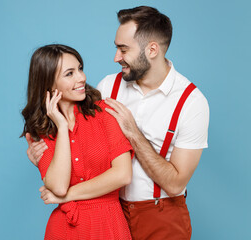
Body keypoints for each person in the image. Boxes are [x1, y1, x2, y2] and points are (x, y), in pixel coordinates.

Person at [26, 6, 210, 240]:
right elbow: (79, 143)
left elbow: (175, 184)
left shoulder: (191, 103)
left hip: (159, 213)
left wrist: (133, 133)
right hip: (112, 211)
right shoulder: (107, 88)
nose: (116, 58)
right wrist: (43, 158)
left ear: (152, 49)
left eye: (123, 49)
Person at [21, 44, 134, 239]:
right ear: (48, 83)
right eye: (69, 73)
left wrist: (67, 196)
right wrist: (62, 127)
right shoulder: (40, 132)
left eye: (80, 69)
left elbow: (123, 175)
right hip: (65, 229)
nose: (82, 77)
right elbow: (58, 186)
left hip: (109, 225)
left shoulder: (104, 113)